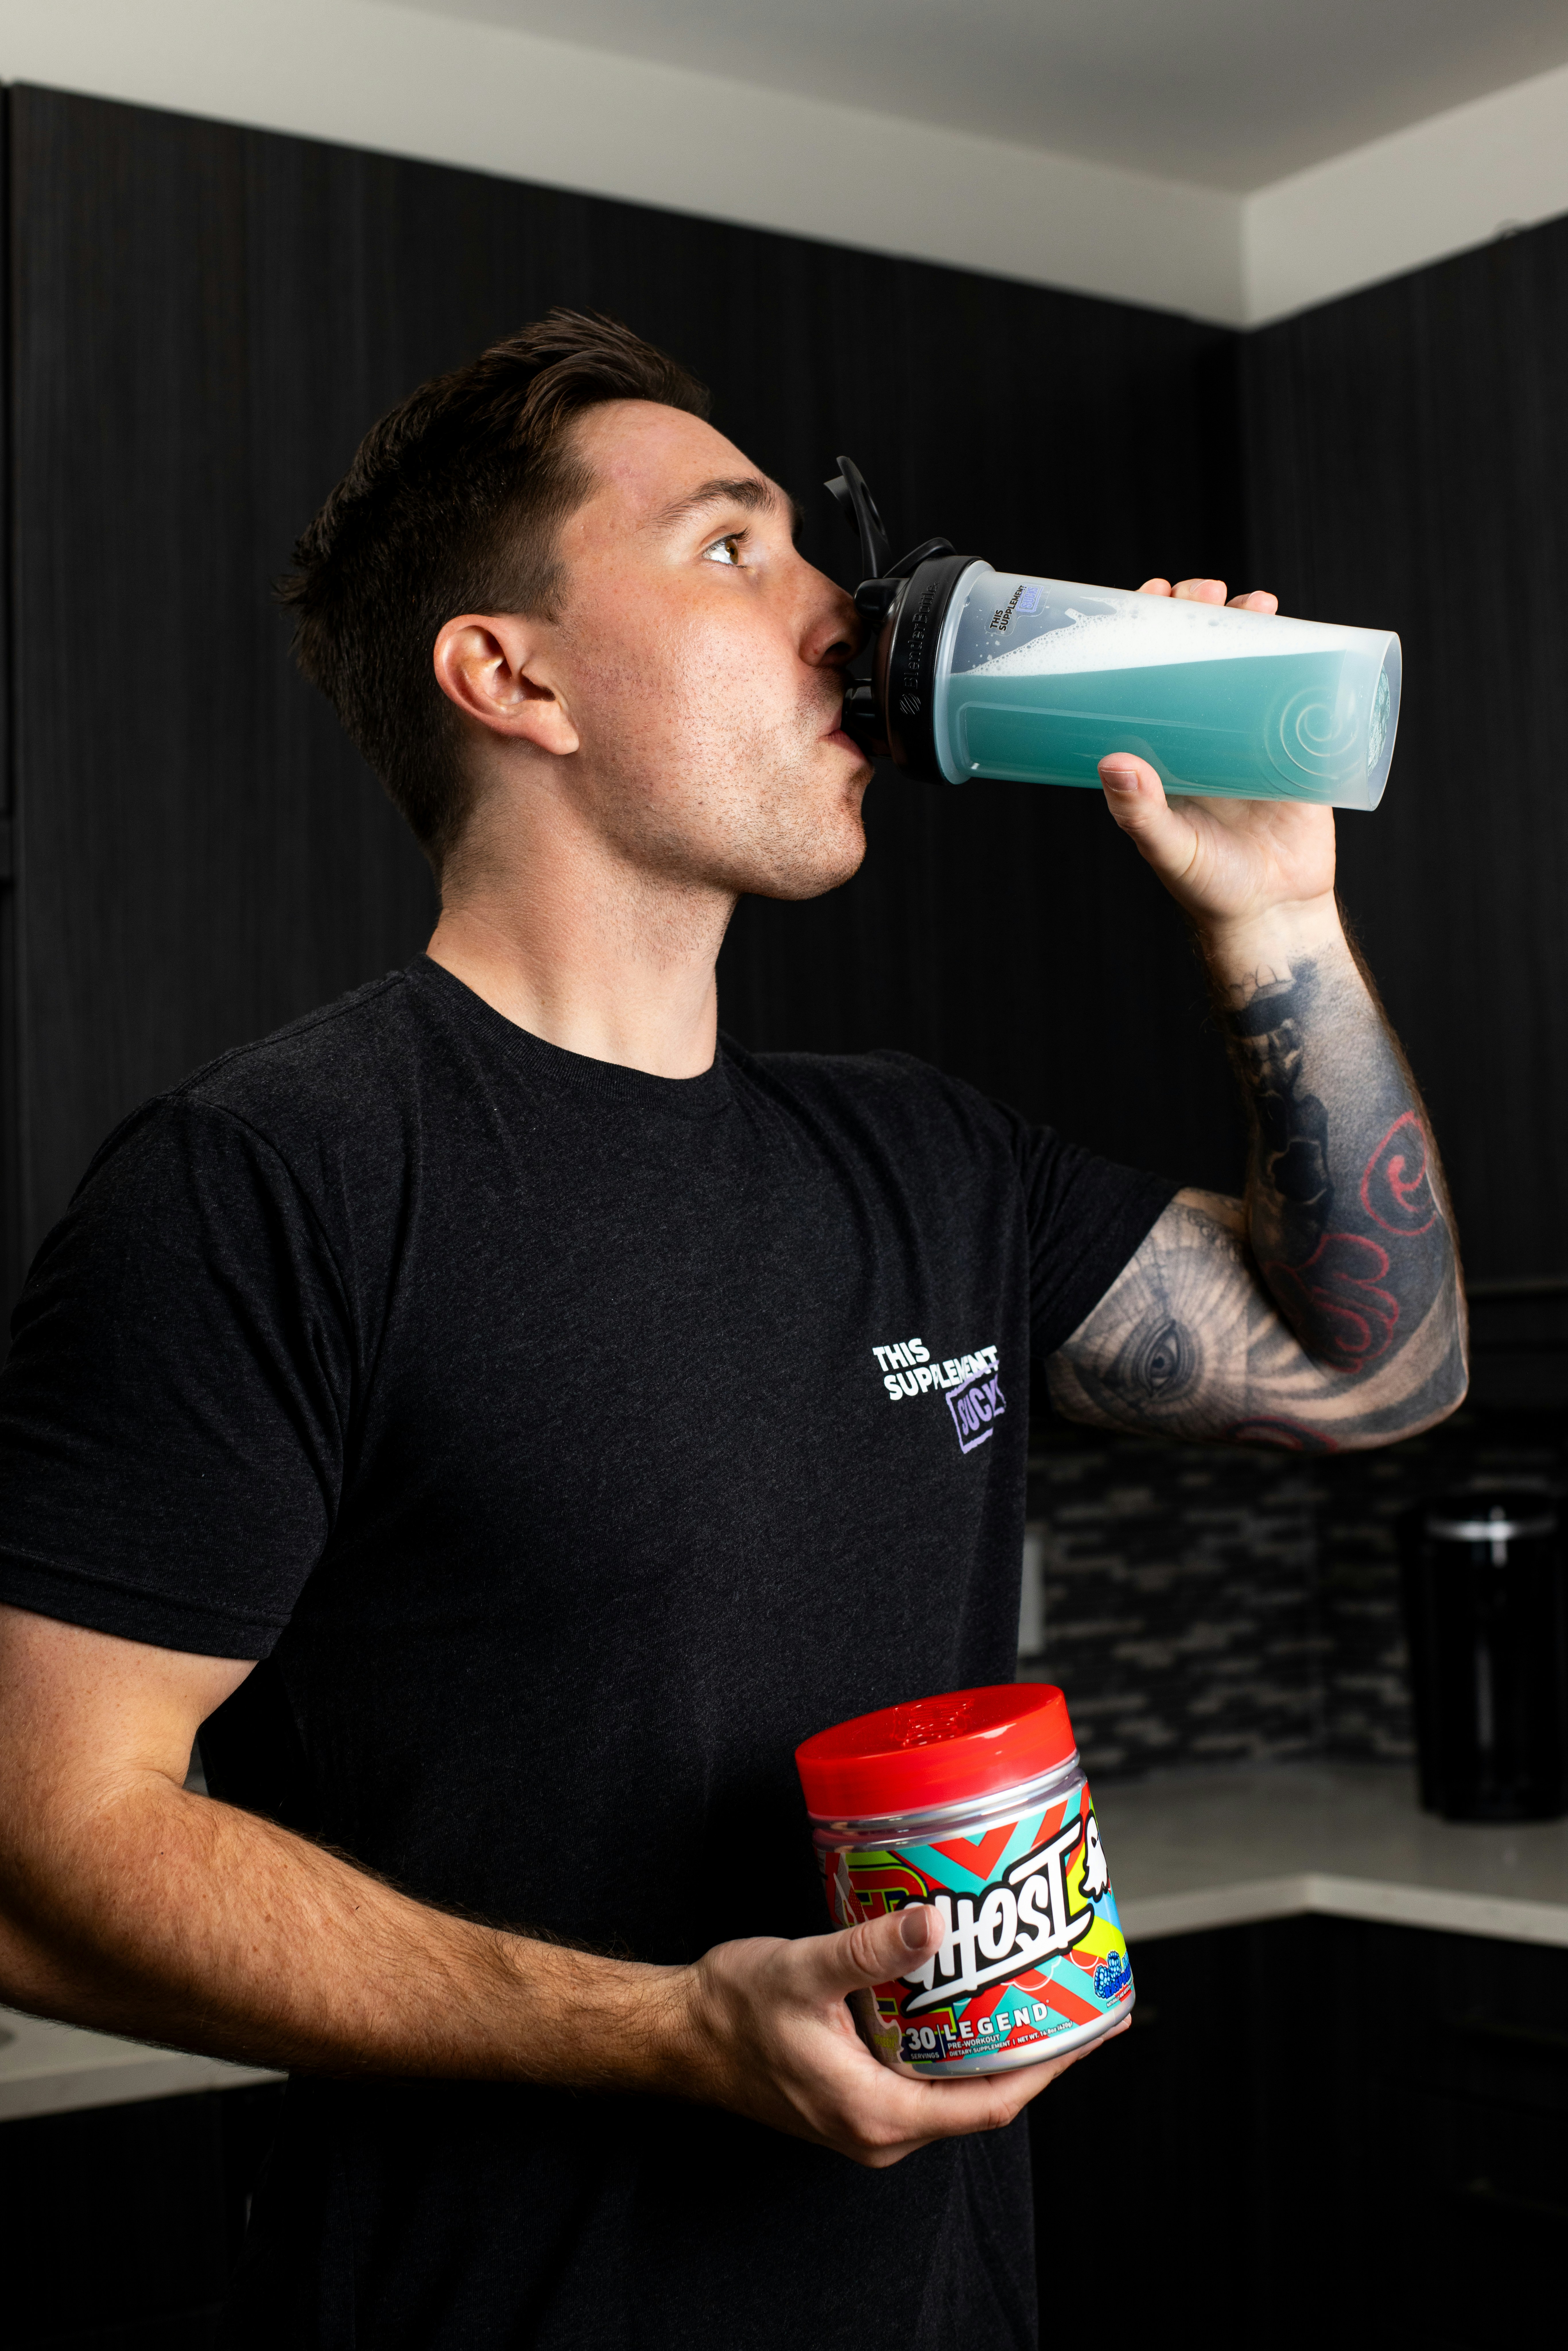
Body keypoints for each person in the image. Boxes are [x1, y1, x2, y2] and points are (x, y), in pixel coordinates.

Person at [0, 311, 1465, 2349]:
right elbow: (43, 1846)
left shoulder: (922, 1156)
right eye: (731, 546)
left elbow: (1371, 1368)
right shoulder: (271, 1185)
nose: (843, 609)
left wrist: (1276, 921)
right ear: (509, 677)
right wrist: (675, 2032)